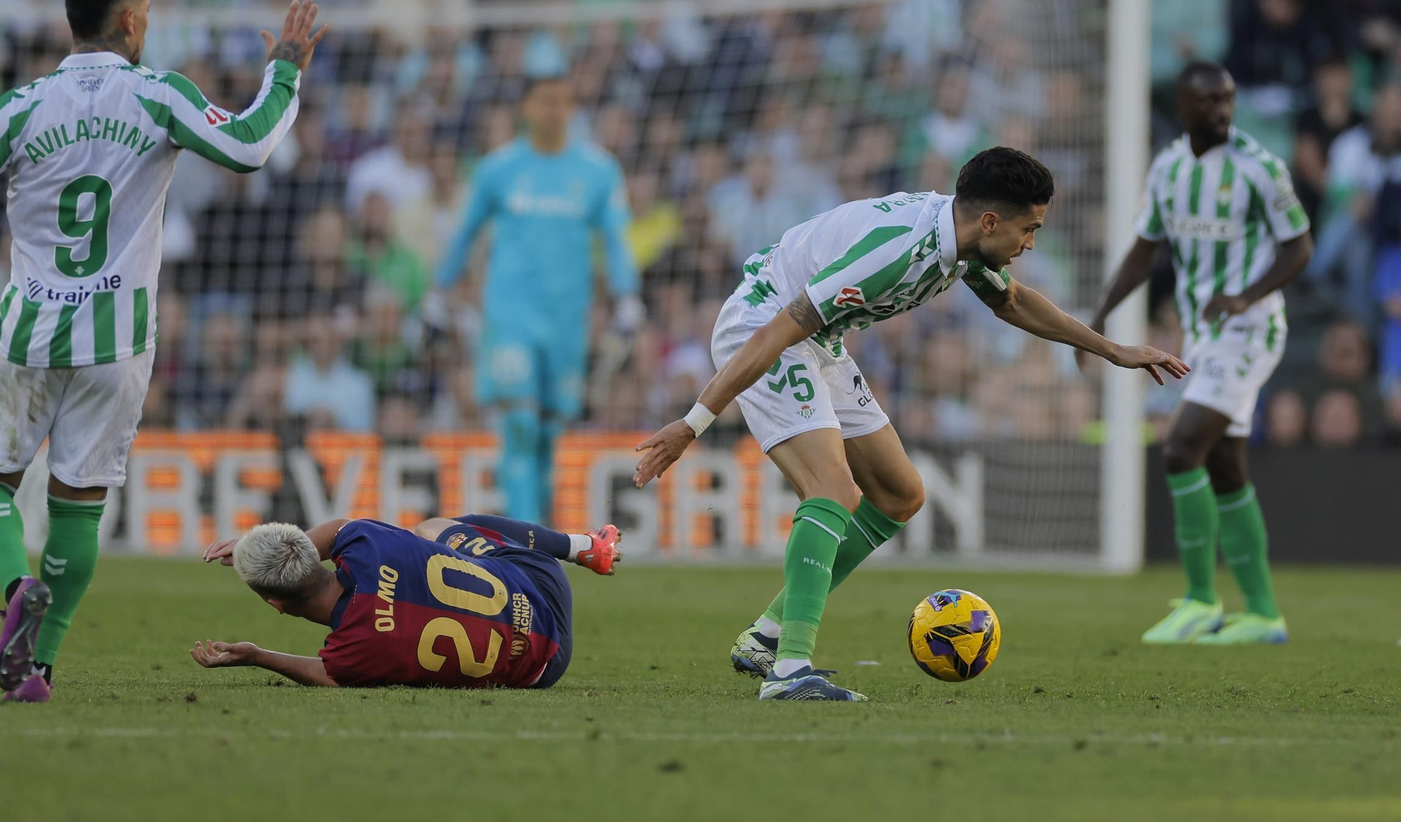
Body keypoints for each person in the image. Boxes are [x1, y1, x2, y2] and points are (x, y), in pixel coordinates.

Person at [0, 0, 328, 703]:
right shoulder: (158, 94)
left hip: (29, 333)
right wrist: (287, 70)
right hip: (119, 342)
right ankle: (37, 668)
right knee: (79, 503)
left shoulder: (25, 104)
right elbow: (248, 147)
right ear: (132, 20)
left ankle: (16, 584)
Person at [632, 148, 1187, 701]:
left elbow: (1013, 302)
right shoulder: (898, 253)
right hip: (764, 325)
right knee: (832, 490)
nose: (1031, 244)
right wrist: (693, 422)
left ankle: (768, 634)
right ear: (991, 221)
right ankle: (789, 670)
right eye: (1029, 229)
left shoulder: (966, 243)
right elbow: (776, 331)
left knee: (900, 494)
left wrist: (1112, 351)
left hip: (817, 342)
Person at [1085, 61, 1312, 647]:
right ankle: (1263, 614)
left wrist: (1246, 295)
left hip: (1251, 328)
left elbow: (1299, 245)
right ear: (1183, 107)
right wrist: (1103, 314)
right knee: (1224, 465)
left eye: (1228, 98)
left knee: (1181, 447)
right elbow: (1144, 249)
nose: (1221, 109)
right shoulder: (1167, 167)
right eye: (1209, 101)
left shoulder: (1260, 167)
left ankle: (1199, 600)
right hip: (1204, 334)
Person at [433, 75, 641, 524]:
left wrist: (627, 297)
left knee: (548, 431)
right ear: (526, 107)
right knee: (520, 423)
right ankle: (524, 541)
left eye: (562, 101)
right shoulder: (498, 169)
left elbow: (616, 239)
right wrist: (438, 290)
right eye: (544, 100)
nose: (553, 110)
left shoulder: (598, 171)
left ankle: (538, 532)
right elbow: (465, 233)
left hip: (567, 320)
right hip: (511, 317)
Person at [190, 513, 621, 688]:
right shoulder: (365, 541)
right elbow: (339, 530)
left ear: (275, 604)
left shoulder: (354, 652)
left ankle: (579, 546)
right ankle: (580, 545)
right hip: (541, 584)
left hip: (543, 669)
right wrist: (256, 544)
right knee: (432, 528)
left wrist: (258, 655)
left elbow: (328, 676)